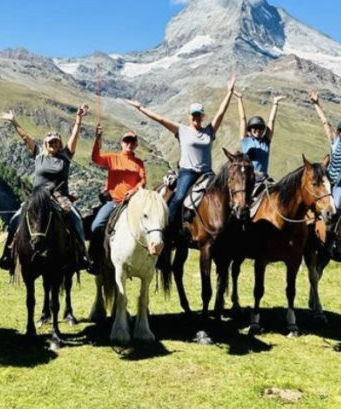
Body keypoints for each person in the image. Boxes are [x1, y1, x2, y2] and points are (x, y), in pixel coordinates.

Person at [125, 74, 237, 234]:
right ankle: (166, 229)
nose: (196, 118)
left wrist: (230, 92)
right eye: (194, 115)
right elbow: (161, 119)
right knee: (179, 197)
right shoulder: (182, 130)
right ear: (189, 116)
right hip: (188, 172)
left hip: (206, 173)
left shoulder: (209, 131)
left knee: (223, 195)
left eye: (199, 115)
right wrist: (140, 108)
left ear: (203, 116)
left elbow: (220, 113)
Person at [0, 104, 90, 270]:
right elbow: (26, 138)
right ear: (45, 144)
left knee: (76, 219)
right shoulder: (38, 154)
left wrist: (78, 120)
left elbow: (74, 137)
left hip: (60, 197)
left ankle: (82, 255)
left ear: (60, 143)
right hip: (37, 198)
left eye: (56, 141)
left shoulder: (66, 155)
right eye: (50, 142)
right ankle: (8, 255)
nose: (53, 144)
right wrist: (14, 121)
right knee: (15, 220)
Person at [87, 127, 147, 270]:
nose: (129, 144)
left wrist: (133, 191)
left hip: (133, 202)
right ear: (121, 143)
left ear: (136, 145)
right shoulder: (112, 158)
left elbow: (143, 181)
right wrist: (97, 139)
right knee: (96, 226)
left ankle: (154, 257)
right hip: (114, 201)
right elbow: (95, 158)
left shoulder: (139, 162)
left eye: (132, 141)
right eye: (127, 141)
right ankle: (94, 260)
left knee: (152, 223)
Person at [236, 90, 284, 185]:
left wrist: (275, 103)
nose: (258, 130)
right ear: (249, 129)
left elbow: (271, 121)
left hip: (264, 179)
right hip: (249, 180)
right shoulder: (246, 140)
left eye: (260, 128)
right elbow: (242, 119)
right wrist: (239, 99)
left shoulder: (266, 141)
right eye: (255, 127)